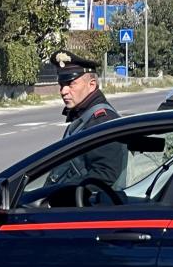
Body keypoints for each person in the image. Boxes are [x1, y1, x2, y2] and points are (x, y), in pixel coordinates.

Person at [47, 50, 124, 187]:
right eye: (61, 85)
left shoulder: (102, 121)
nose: (63, 91)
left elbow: (105, 174)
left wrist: (67, 197)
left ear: (92, 85)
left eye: (71, 84)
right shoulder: (83, 116)